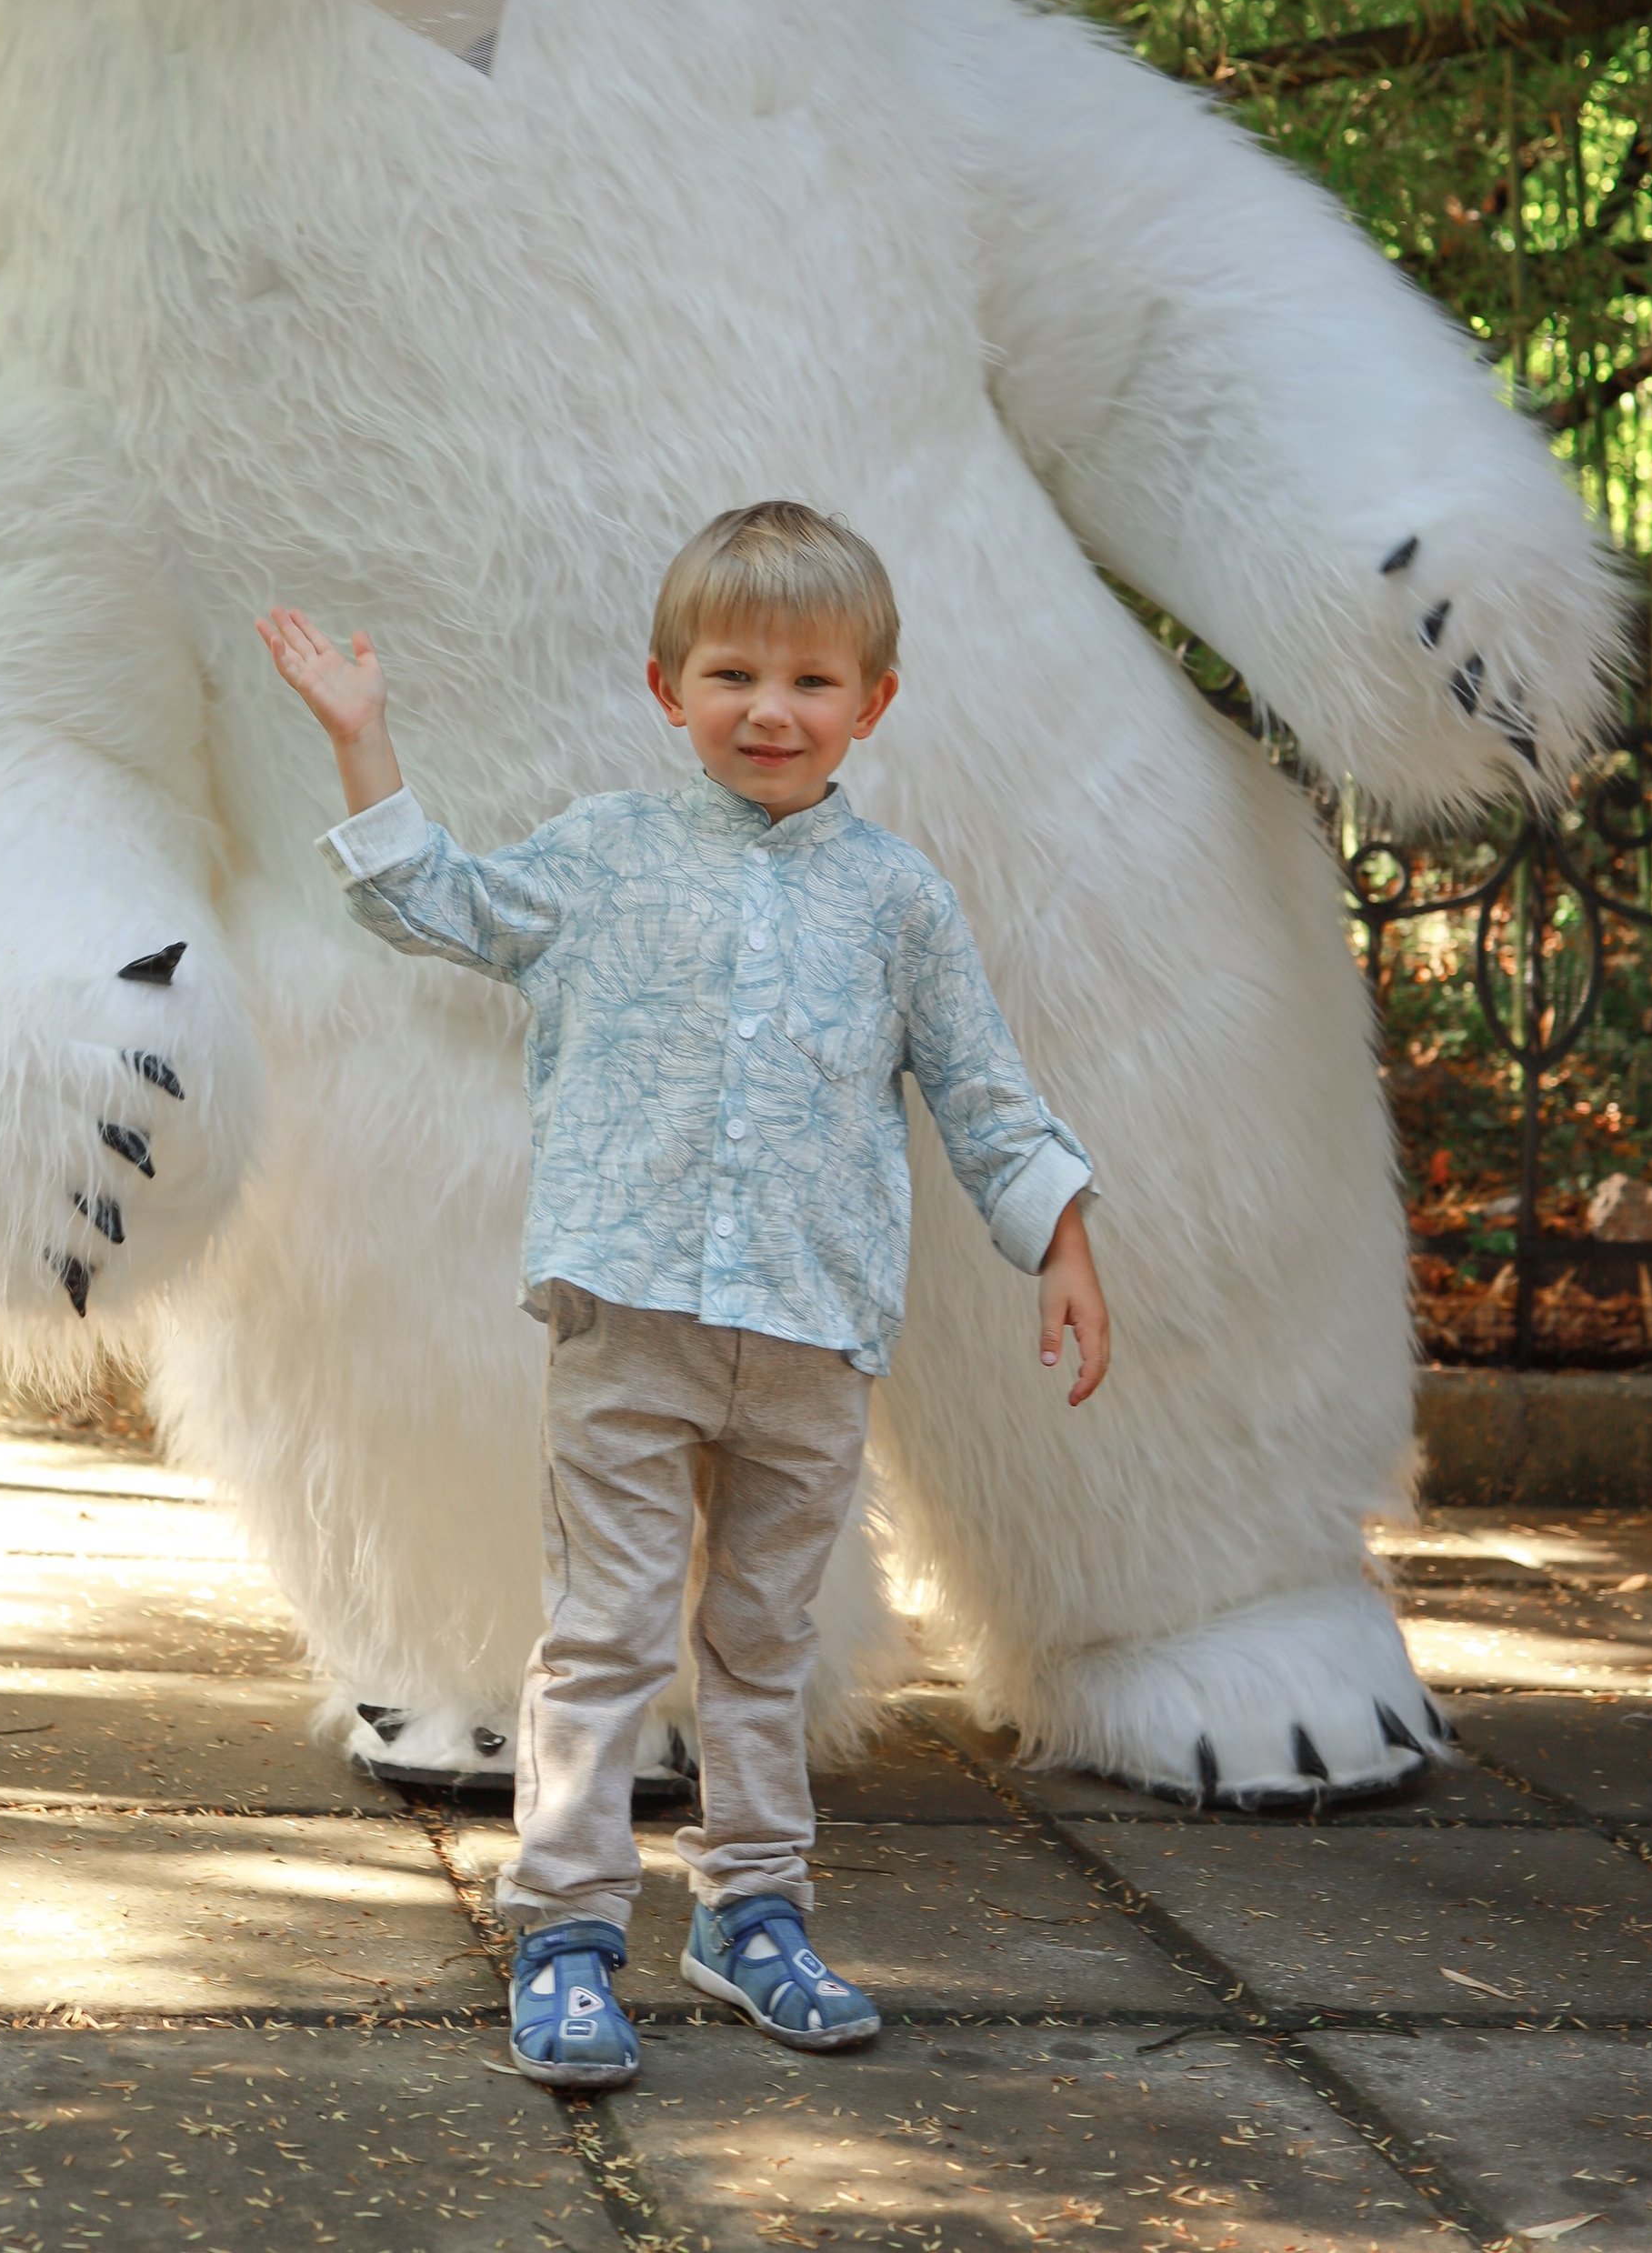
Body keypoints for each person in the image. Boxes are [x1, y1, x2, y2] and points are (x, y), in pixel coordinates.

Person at [257, 499, 1110, 2089]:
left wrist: (1058, 1240)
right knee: (606, 1636)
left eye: (809, 681)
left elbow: (985, 1093)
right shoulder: (601, 857)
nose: (769, 711)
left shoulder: (899, 903)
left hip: (809, 1333)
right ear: (669, 690)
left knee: (765, 1640)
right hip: (630, 1320)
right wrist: (363, 742)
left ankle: (751, 1915)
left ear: (873, 701)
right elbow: (424, 898)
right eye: (732, 675)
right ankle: (568, 1932)